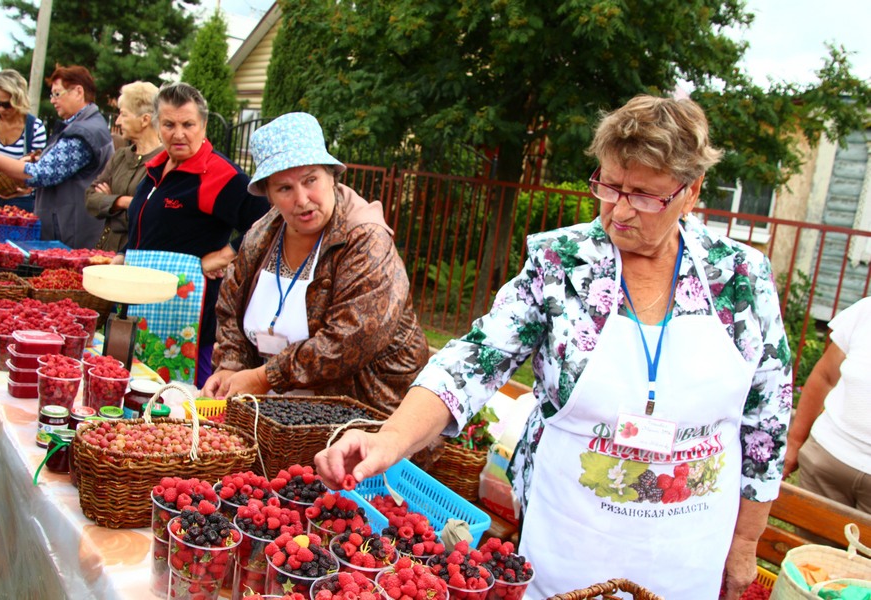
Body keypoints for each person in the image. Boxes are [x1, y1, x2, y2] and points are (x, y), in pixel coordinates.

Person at [315, 95, 792, 599]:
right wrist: (390, 440)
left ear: (691, 192)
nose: (620, 209)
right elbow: (473, 360)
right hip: (570, 538)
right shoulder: (561, 265)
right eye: (609, 185)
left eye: (645, 196)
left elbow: (768, 421)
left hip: (690, 548)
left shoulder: (740, 277)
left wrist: (744, 542)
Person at [203, 112, 430, 420]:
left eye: (311, 180)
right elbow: (230, 306)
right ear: (268, 195)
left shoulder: (366, 240)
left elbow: (349, 340)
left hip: (365, 416)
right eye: (284, 188)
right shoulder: (261, 234)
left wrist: (262, 378)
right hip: (280, 417)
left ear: (331, 176)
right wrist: (232, 363)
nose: (302, 199)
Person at [124, 82, 270, 387]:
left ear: (203, 125)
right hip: (141, 306)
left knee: (183, 399)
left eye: (188, 124)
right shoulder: (155, 168)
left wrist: (225, 254)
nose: (179, 133)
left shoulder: (219, 175)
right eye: (169, 124)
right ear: (157, 125)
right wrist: (122, 255)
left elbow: (269, 219)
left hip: (190, 316)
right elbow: (146, 227)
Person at [0, 65, 113, 248]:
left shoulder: (83, 132)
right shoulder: (80, 126)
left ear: (78, 92)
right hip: (68, 225)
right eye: (52, 95)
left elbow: (38, 174)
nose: (53, 100)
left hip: (71, 231)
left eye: (57, 94)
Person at [783, 296, 871, 513]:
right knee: (808, 547)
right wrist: (794, 442)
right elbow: (825, 377)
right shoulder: (865, 312)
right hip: (826, 461)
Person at [85, 81, 162, 252]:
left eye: (123, 114)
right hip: (105, 252)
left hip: (136, 256)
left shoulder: (165, 162)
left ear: (145, 120)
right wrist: (123, 201)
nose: (118, 121)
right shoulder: (120, 156)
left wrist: (109, 203)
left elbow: (151, 216)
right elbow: (90, 199)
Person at [0, 69, 47, 212]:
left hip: (23, 201)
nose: (0, 109)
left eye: (6, 104)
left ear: (18, 100)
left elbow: (38, 171)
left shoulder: (35, 128)